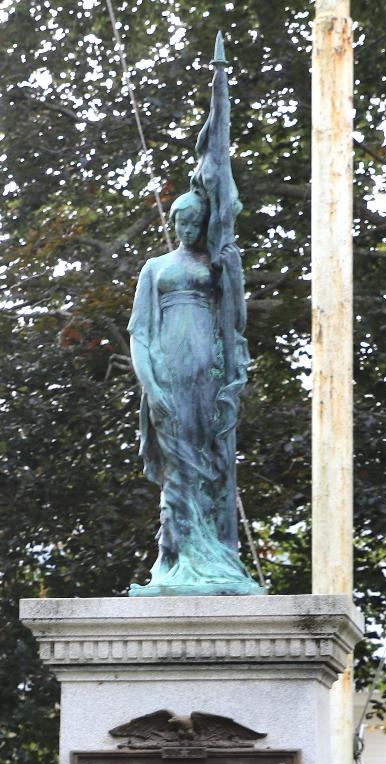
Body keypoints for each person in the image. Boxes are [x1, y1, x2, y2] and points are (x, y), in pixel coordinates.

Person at [128, 190, 261, 595]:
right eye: (180, 223)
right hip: (168, 374)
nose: (186, 230)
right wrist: (150, 386)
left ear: (204, 226)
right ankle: (176, 557)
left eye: (194, 223)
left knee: (208, 463)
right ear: (173, 223)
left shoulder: (216, 267)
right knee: (179, 467)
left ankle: (210, 554)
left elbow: (234, 320)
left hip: (209, 376)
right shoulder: (155, 268)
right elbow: (140, 334)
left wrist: (233, 270)